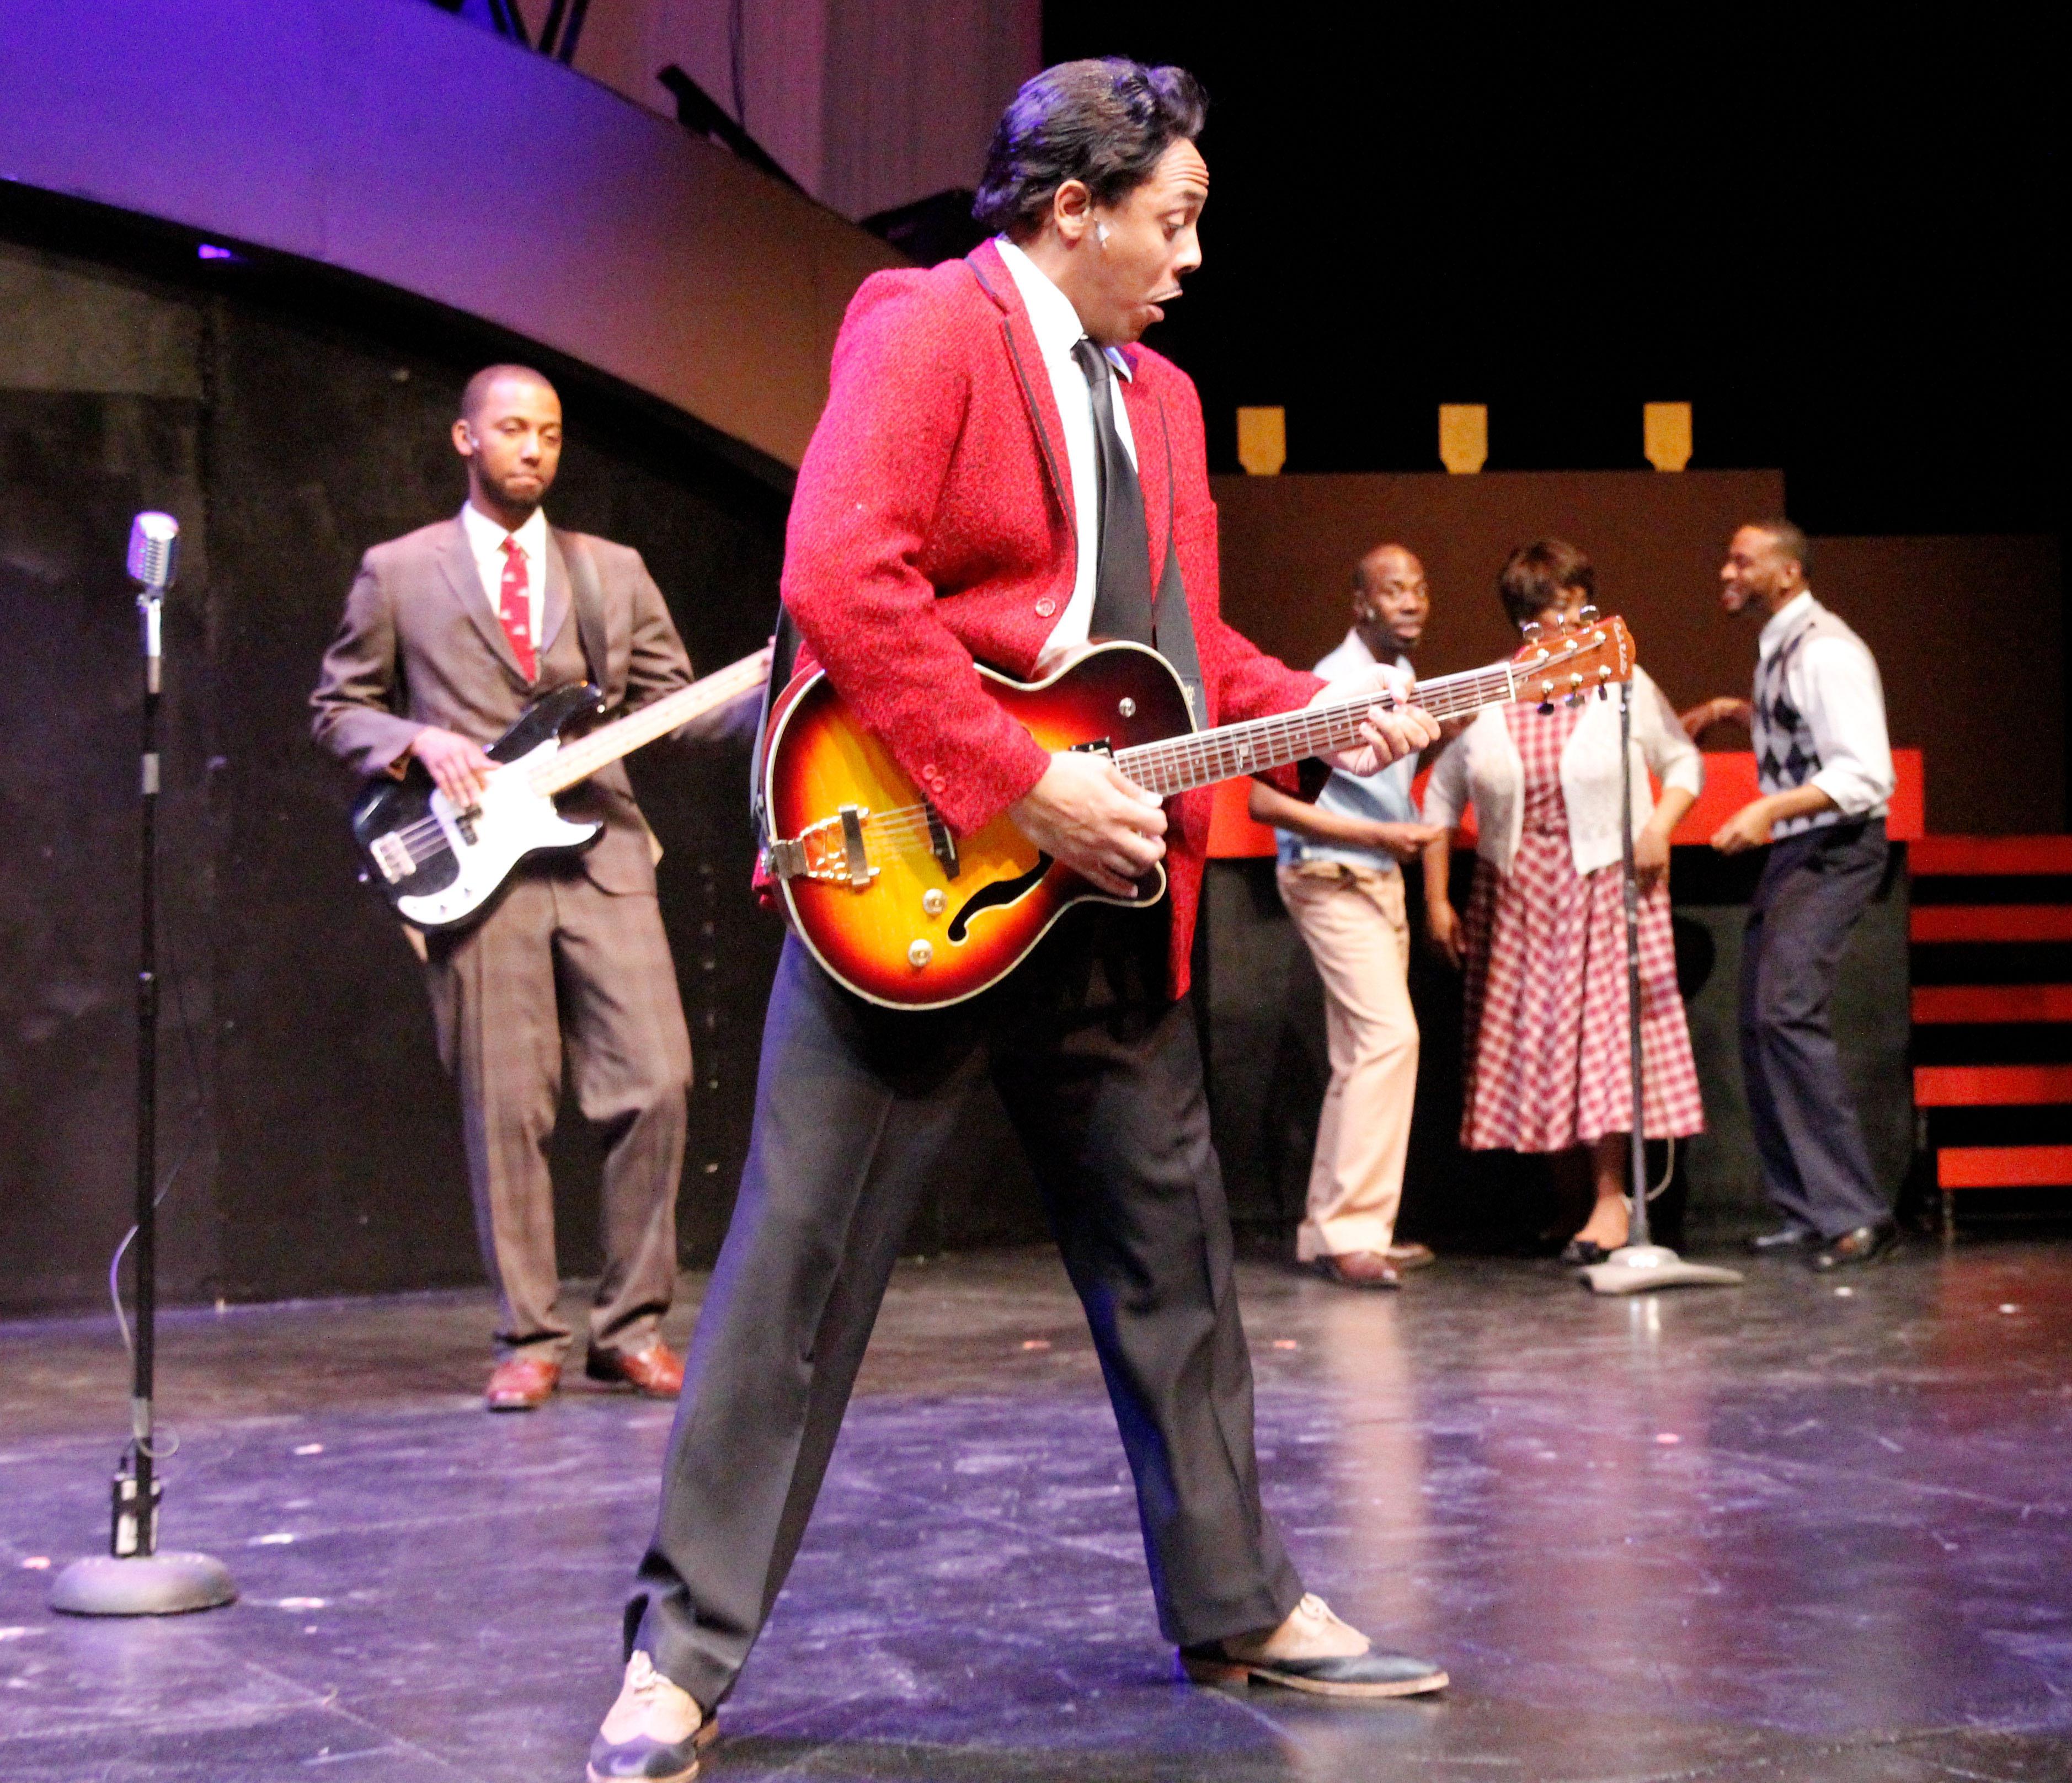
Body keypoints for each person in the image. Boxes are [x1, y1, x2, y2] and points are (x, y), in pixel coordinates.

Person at [590, 60, 1449, 1783]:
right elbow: (845, 575)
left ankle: (1241, 1601)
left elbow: (1173, 655)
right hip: (918, 878)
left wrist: (1323, 706)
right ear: (1076, 211)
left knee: (1176, 1266)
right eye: (1176, 218)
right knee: (797, 1275)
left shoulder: (1169, 399)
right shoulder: (924, 328)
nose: (1194, 256)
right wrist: (1006, 778)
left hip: (1111, 900)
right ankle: (677, 1661)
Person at [311, 365, 712, 1412]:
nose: (533, 448)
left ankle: (629, 1329)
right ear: (465, 440)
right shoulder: (399, 571)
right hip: (478, 870)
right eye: (512, 430)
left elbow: (675, 706)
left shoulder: (609, 570)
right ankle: (528, 1337)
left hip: (602, 850)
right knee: (507, 1110)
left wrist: (773, 687)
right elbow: (339, 710)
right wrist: (418, 741)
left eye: (550, 433)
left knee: (658, 1080)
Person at [1419, 540, 1705, 1264]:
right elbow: (1440, 795)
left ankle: (1611, 1203)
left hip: (1606, 884)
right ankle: (1571, 1204)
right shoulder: (1489, 692)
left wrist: (1658, 828)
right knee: (1541, 1052)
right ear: (1526, 622)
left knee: (1604, 1048)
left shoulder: (1620, 682)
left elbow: (1681, 760)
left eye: (1580, 610)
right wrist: (1435, 902)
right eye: (1554, 615)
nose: (1571, 627)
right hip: (1517, 895)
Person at [1680, 519, 1899, 1271]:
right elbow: (1801, 730)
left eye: (1741, 561)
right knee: (1759, 1021)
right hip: (1800, 848)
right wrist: (1729, 715)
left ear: (1787, 573)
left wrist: (1767, 808)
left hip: (1835, 847)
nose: (1725, 573)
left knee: (1785, 1011)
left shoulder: (1828, 652)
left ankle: (1855, 1213)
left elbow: (1865, 774)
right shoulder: (1783, 647)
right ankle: (1809, 1212)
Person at [1246, 544, 1447, 1290]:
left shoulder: (1402, 680)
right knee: (1390, 1037)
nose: (1411, 602)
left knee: (1362, 1055)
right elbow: (1266, 800)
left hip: (1377, 879)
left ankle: (1339, 1228)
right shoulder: (1333, 683)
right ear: (1360, 603)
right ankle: (1352, 1231)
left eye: (1419, 588)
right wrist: (1379, 836)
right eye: (1393, 590)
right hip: (1329, 876)